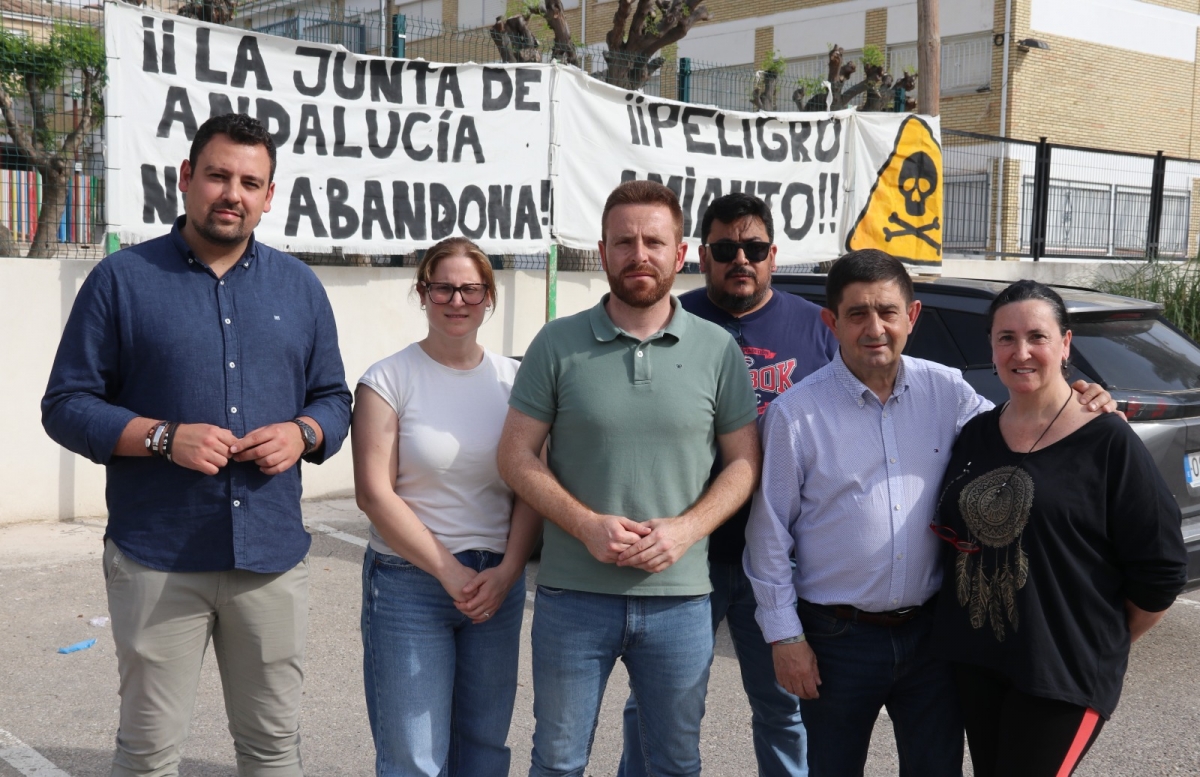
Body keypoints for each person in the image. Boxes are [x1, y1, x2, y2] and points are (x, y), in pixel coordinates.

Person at [41, 113, 352, 776]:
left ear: (270, 195)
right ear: (185, 178)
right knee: (148, 754)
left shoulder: (300, 288)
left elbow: (333, 398)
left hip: (270, 556)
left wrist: (303, 433)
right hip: (158, 556)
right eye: (217, 175)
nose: (232, 193)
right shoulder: (121, 280)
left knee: (274, 750)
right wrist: (163, 437)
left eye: (250, 182)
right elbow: (66, 406)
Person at [743, 250, 1114, 777]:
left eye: (888, 312)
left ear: (912, 316)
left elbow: (1020, 435)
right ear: (831, 322)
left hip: (932, 638)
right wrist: (786, 638)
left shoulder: (947, 390)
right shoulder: (795, 414)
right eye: (857, 314)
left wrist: (1080, 402)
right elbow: (768, 536)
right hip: (836, 641)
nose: (875, 328)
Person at [498, 179, 761, 777]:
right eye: (623, 242)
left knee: (675, 764)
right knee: (558, 762)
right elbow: (514, 456)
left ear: (681, 252)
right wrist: (585, 525)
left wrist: (686, 530)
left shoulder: (718, 350)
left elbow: (745, 464)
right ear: (603, 250)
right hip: (572, 597)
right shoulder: (556, 343)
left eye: (653, 242)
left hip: (681, 600)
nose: (638, 255)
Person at [929, 280, 1187, 777]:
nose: (1021, 352)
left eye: (1037, 337)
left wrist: (1098, 642)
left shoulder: (1107, 441)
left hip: (1061, 674)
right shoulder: (977, 431)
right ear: (991, 347)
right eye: (1006, 338)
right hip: (977, 662)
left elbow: (1161, 572)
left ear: (1065, 344)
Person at [620, 192, 836, 777]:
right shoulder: (669, 319)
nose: (741, 259)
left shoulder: (815, 328)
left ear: (774, 255)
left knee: (785, 704)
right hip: (686, 551)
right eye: (725, 249)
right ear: (702, 256)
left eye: (755, 248)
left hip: (784, 556)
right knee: (658, 703)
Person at [352, 237, 542, 777]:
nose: (457, 300)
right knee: (415, 758)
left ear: (489, 298)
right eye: (443, 288)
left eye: (471, 289)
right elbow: (373, 493)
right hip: (409, 582)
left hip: (496, 584)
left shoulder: (514, 382)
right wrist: (448, 571)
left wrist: (508, 571)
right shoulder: (387, 379)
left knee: (483, 748)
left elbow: (531, 485)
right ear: (422, 293)